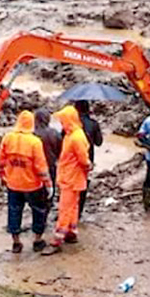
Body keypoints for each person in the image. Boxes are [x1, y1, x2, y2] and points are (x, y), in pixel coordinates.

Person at [0, 110, 52, 253]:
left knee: (14, 211)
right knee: (38, 211)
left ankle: (16, 242)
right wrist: (48, 184)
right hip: (32, 185)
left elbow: (0, 161)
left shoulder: (8, 138)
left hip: (13, 184)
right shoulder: (34, 142)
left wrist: (2, 176)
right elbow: (41, 167)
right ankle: (37, 240)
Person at [45, 105, 91, 253]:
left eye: (63, 120)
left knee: (65, 208)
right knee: (73, 206)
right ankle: (71, 232)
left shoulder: (76, 137)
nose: (61, 123)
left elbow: (84, 160)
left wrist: (87, 166)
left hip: (71, 178)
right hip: (71, 177)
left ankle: (57, 239)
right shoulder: (72, 135)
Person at [73, 100, 103, 217]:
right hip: (87, 159)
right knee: (83, 184)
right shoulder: (93, 124)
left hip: (71, 159)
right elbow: (99, 142)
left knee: (70, 185)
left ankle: (70, 209)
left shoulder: (71, 124)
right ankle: (79, 211)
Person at [34, 108, 63, 193]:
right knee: (51, 187)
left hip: (35, 166)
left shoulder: (32, 134)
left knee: (37, 189)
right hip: (51, 164)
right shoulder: (54, 133)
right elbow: (60, 150)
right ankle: (50, 202)